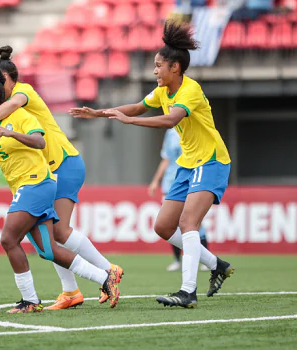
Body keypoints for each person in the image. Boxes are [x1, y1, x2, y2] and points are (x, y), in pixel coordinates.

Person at [70, 21, 234, 309]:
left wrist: (129, 121)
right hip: (188, 164)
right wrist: (99, 113)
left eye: (159, 65)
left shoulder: (189, 91)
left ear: (175, 68)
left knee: (188, 223)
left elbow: (170, 120)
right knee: (163, 226)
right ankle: (216, 265)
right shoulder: (162, 92)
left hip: (211, 161)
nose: (155, 70)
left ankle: (187, 291)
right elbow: (136, 107)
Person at [0, 77, 121, 313]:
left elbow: (39, 141)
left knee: (8, 239)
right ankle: (104, 278)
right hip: (25, 189)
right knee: (48, 251)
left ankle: (30, 301)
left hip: (37, 183)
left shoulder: (19, 116)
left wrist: (11, 134)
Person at [149, 129, 210, 272]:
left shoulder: (195, 127)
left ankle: (206, 260)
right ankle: (177, 260)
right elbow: (167, 159)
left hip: (190, 179)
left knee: (193, 221)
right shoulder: (170, 132)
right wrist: (155, 181)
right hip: (171, 181)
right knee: (171, 222)